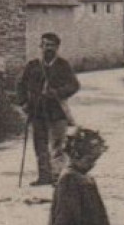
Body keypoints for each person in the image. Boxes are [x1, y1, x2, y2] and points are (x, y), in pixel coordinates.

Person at [15, 33, 80, 186]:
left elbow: (74, 85)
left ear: (57, 48)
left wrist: (58, 92)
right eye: (45, 45)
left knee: (58, 145)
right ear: (40, 47)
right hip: (37, 111)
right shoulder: (33, 65)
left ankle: (58, 177)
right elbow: (20, 84)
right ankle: (44, 176)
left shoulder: (63, 65)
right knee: (40, 145)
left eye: (51, 45)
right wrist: (23, 102)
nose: (48, 48)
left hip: (57, 111)